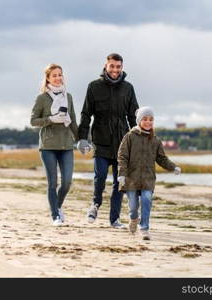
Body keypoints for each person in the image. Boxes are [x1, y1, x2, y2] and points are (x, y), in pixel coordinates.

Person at [77, 53, 139, 228]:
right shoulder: (94, 87)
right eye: (112, 66)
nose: (115, 70)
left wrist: (137, 138)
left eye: (118, 67)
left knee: (120, 182)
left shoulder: (128, 88)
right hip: (101, 140)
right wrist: (82, 138)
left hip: (122, 142)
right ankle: (95, 204)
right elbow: (86, 114)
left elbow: (134, 116)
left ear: (122, 68)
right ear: (106, 66)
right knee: (100, 176)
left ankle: (114, 219)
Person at [117, 106, 181, 240]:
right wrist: (122, 174)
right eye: (145, 119)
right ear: (139, 121)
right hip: (131, 178)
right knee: (133, 206)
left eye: (151, 119)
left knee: (146, 200)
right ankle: (134, 219)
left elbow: (162, 159)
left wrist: (173, 167)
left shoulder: (155, 140)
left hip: (148, 179)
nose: (148, 122)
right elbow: (122, 156)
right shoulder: (129, 137)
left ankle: (144, 228)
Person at [30, 64, 78, 226]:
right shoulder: (42, 98)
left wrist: (82, 139)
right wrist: (50, 120)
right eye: (54, 75)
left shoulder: (68, 97)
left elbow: (73, 121)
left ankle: (57, 207)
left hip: (66, 145)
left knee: (67, 182)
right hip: (48, 146)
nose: (58, 78)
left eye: (60, 75)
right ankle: (55, 216)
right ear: (48, 78)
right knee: (53, 182)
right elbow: (33, 121)